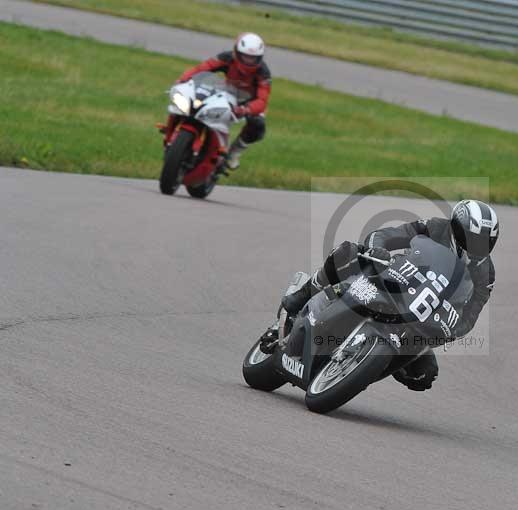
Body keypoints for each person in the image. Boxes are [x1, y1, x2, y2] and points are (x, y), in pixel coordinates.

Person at [276, 199, 499, 391]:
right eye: (471, 237)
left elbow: (471, 314)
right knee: (348, 252)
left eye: (484, 240)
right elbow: (385, 235)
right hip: (393, 279)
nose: (477, 245)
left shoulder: (485, 273)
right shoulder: (435, 228)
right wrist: (377, 249)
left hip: (420, 314)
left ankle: (364, 364)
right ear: (456, 229)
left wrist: (452, 331)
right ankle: (302, 295)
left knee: (424, 374)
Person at [176, 32, 271, 170]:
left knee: (258, 125)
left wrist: (247, 109)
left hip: (249, 102)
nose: (248, 61)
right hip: (227, 92)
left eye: (253, 58)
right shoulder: (226, 57)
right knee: (195, 100)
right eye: (245, 56)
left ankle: (234, 153)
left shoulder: (263, 72)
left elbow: (262, 100)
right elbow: (202, 68)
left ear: (260, 58)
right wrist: (183, 79)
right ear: (236, 52)